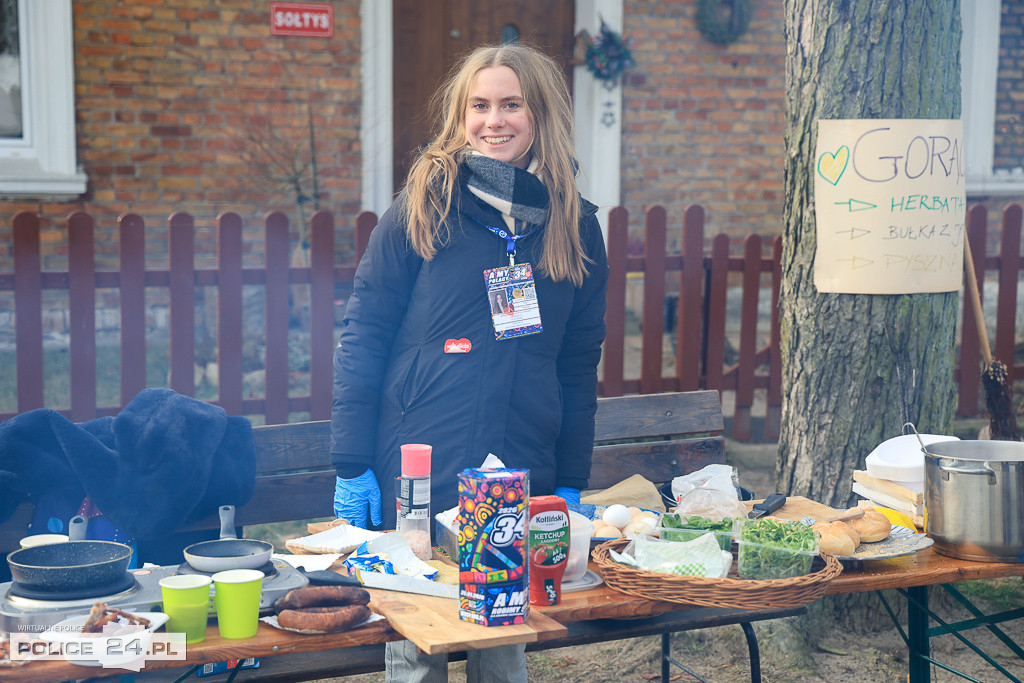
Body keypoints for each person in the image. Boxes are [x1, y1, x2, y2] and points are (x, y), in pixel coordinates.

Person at [330, 42, 608, 682]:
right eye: (478, 106)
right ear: (460, 117)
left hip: (515, 467)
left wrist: (567, 479)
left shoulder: (574, 225)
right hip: (417, 466)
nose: (494, 121)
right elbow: (365, 332)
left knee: (501, 645)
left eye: (511, 104)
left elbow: (576, 363)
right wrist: (351, 464)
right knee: (418, 651)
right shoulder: (422, 206)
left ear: (540, 115)